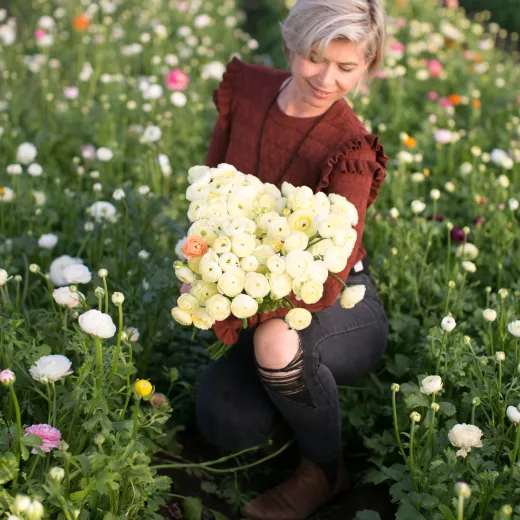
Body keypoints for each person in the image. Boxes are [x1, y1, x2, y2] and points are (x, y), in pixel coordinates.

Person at [194, 1, 389, 518]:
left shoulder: (350, 146)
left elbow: (330, 274)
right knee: (226, 425)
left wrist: (244, 304)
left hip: (338, 297)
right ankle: (299, 395)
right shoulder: (249, 89)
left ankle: (325, 469)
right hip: (258, 287)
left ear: (367, 66)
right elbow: (211, 188)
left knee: (275, 341)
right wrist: (204, 272)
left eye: (347, 68)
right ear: (290, 47)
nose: (327, 79)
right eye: (314, 58)